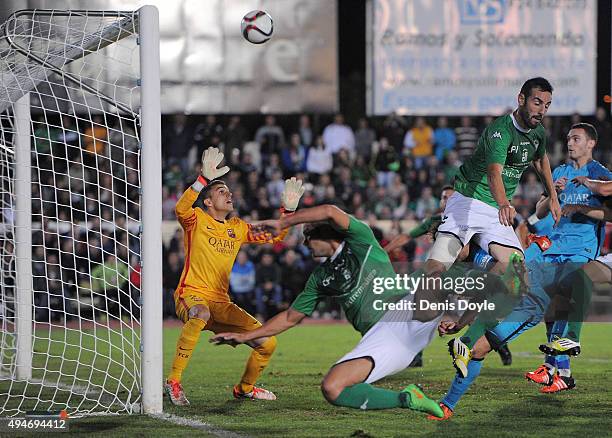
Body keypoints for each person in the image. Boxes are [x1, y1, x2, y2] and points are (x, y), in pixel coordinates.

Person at [431, 123, 612, 420]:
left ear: (591, 143)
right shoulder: (560, 173)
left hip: (579, 253)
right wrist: (551, 196)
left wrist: (583, 205)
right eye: (567, 138)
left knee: (568, 292)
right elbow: (541, 212)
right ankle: (448, 402)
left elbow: (608, 207)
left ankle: (558, 366)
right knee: (487, 334)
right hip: (549, 253)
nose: (569, 142)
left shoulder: (600, 173)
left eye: (576, 138)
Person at [210, 204, 445, 418]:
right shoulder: (321, 277)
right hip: (386, 340)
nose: (304, 244)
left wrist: (283, 222)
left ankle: (463, 315)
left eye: (307, 237)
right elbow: (291, 317)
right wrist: (245, 337)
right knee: (332, 388)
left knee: (437, 268)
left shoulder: (360, 241)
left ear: (322, 234)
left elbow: (330, 212)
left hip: (408, 307)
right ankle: (408, 398)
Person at [425, 77, 561, 371]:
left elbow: (541, 160)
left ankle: (462, 327)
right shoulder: (500, 131)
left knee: (516, 273)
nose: (542, 110)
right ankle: (433, 308)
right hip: (470, 200)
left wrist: (552, 196)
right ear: (521, 98)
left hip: (497, 209)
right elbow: (494, 172)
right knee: (439, 265)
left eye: (547, 105)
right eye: (538, 102)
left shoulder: (538, 132)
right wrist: (504, 204)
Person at [164, 147, 305, 406]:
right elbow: (181, 209)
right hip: (191, 294)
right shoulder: (196, 219)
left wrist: (288, 212)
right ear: (207, 201)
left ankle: (244, 388)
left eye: (229, 191)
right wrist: (202, 180)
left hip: (222, 302)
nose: (229, 194)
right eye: (221, 191)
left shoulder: (237, 227)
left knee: (268, 343)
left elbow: (275, 236)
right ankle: (173, 380)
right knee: (201, 314)